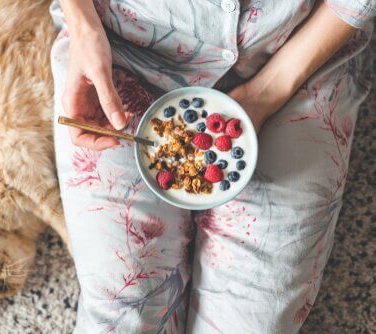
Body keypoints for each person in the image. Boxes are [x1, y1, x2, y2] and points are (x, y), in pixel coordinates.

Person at [49, 1, 374, 333]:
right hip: (123, 47)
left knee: (252, 324)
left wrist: (268, 91)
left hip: (296, 52)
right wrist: (84, 27)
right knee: (121, 317)